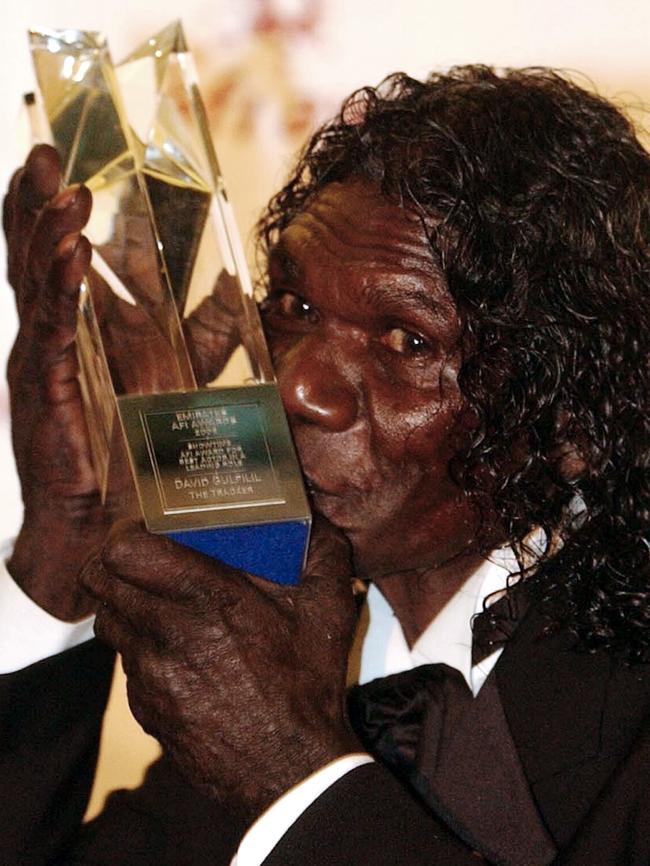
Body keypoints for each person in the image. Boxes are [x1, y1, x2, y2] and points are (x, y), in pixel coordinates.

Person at [1, 65, 649, 865]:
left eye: (408, 340)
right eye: (292, 308)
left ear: (569, 420)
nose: (295, 384)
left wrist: (294, 775)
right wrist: (67, 528)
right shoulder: (292, 646)